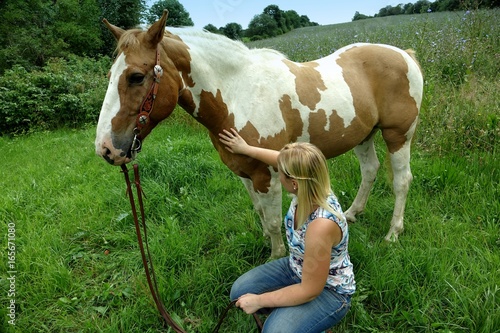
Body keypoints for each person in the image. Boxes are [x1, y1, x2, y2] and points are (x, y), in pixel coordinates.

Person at [218, 128, 355, 333]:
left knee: (274, 331)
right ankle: (297, 316)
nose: (276, 172)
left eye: (280, 172)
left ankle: (310, 320)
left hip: (328, 290)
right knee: (239, 291)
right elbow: (280, 159)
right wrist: (245, 148)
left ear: (293, 183)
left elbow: (310, 290)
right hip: (296, 266)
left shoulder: (321, 226)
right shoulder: (311, 186)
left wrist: (259, 300)